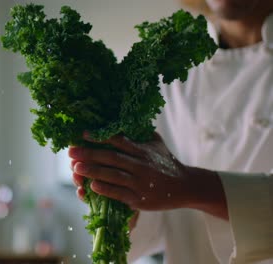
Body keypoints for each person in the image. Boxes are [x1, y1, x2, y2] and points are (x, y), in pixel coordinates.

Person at [68, 0, 273, 263]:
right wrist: (123, 196)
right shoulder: (174, 72)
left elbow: (176, 187)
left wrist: (188, 184)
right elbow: (160, 223)